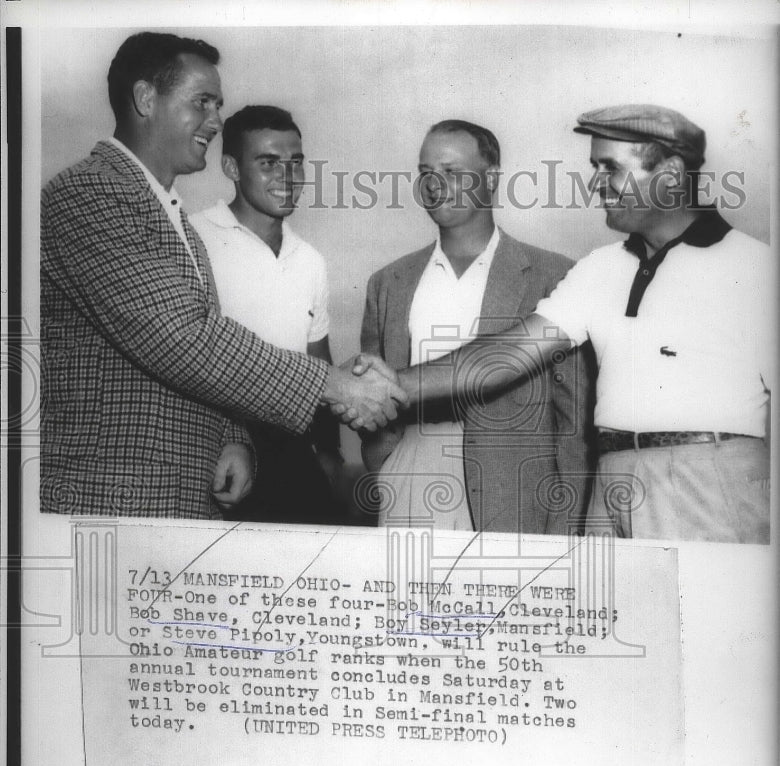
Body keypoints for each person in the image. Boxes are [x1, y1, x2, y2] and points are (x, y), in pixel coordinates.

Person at [353, 105, 772, 544]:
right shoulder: (599, 269)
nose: (594, 182)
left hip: (710, 480)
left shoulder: (755, 267)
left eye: (609, 168)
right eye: (594, 167)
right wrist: (391, 384)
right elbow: (505, 356)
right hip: (609, 486)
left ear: (668, 173)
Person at [40, 31, 401, 520]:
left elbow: (190, 351)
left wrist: (233, 439)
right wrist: (336, 387)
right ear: (146, 98)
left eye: (218, 104)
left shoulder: (171, 215)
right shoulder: (92, 193)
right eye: (202, 102)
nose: (215, 120)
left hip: (177, 496)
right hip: (110, 497)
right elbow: (182, 337)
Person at [359, 120, 595, 533]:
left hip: (515, 490)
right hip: (411, 473)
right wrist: (386, 470)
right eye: (426, 173)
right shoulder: (388, 282)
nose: (435, 185)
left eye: (452, 172)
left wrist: (565, 525)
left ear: (492, 177)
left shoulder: (553, 274)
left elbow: (573, 421)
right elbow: (371, 403)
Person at [190, 105, 344, 523]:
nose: (288, 177)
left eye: (296, 163)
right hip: (215, 455)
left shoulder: (310, 259)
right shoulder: (193, 238)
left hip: (293, 456)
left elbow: (319, 363)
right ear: (231, 167)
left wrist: (328, 453)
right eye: (268, 163)